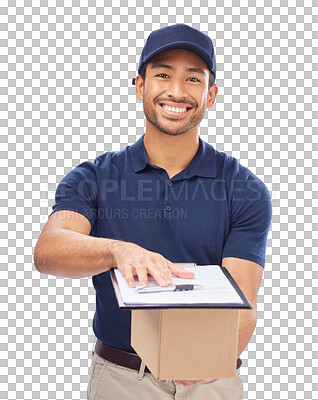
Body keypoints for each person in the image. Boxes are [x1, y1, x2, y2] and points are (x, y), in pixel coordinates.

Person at [34, 24, 272, 400]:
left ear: (210, 95)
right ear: (140, 85)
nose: (176, 91)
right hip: (121, 380)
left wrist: (214, 358)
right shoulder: (94, 177)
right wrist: (117, 251)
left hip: (213, 380)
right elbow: (48, 251)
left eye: (193, 79)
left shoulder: (244, 188)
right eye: (163, 74)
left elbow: (244, 297)